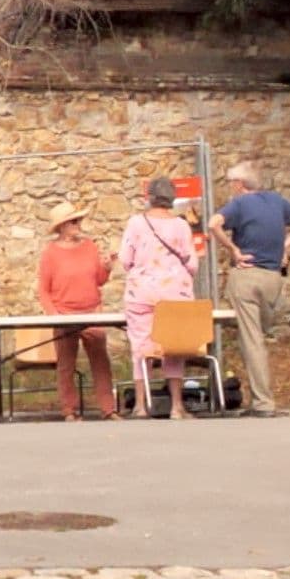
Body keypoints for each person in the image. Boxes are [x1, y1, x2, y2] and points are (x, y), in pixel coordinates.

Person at [208, 162, 290, 418]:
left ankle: (263, 403)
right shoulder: (276, 201)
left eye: (231, 183)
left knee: (252, 340)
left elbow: (213, 224)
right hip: (273, 278)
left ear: (239, 184)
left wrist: (233, 249)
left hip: (247, 276)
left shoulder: (240, 203)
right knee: (260, 334)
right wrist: (284, 245)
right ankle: (261, 398)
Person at [121, 175, 200, 420]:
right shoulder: (182, 226)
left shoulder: (136, 223)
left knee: (141, 346)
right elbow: (192, 263)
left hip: (141, 292)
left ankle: (140, 405)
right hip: (175, 294)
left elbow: (125, 259)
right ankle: (176, 406)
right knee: (173, 347)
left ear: (150, 197)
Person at [37, 201, 119, 421]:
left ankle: (108, 409)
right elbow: (43, 290)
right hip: (64, 314)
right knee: (66, 364)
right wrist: (53, 316)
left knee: (101, 362)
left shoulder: (89, 246)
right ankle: (69, 411)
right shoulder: (51, 253)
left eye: (78, 220)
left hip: (91, 313)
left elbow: (98, 280)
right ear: (62, 226)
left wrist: (107, 268)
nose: (78, 224)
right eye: (74, 221)